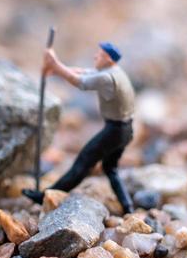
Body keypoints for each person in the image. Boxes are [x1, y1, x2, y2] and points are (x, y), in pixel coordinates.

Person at [24, 41, 137, 213]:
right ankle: (128, 206)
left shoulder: (106, 78)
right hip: (125, 130)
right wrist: (57, 69)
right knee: (110, 168)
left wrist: (55, 64)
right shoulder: (114, 72)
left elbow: (80, 82)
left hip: (115, 130)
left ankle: (46, 195)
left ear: (107, 58)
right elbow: (84, 72)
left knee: (83, 162)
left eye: (99, 55)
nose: (95, 56)